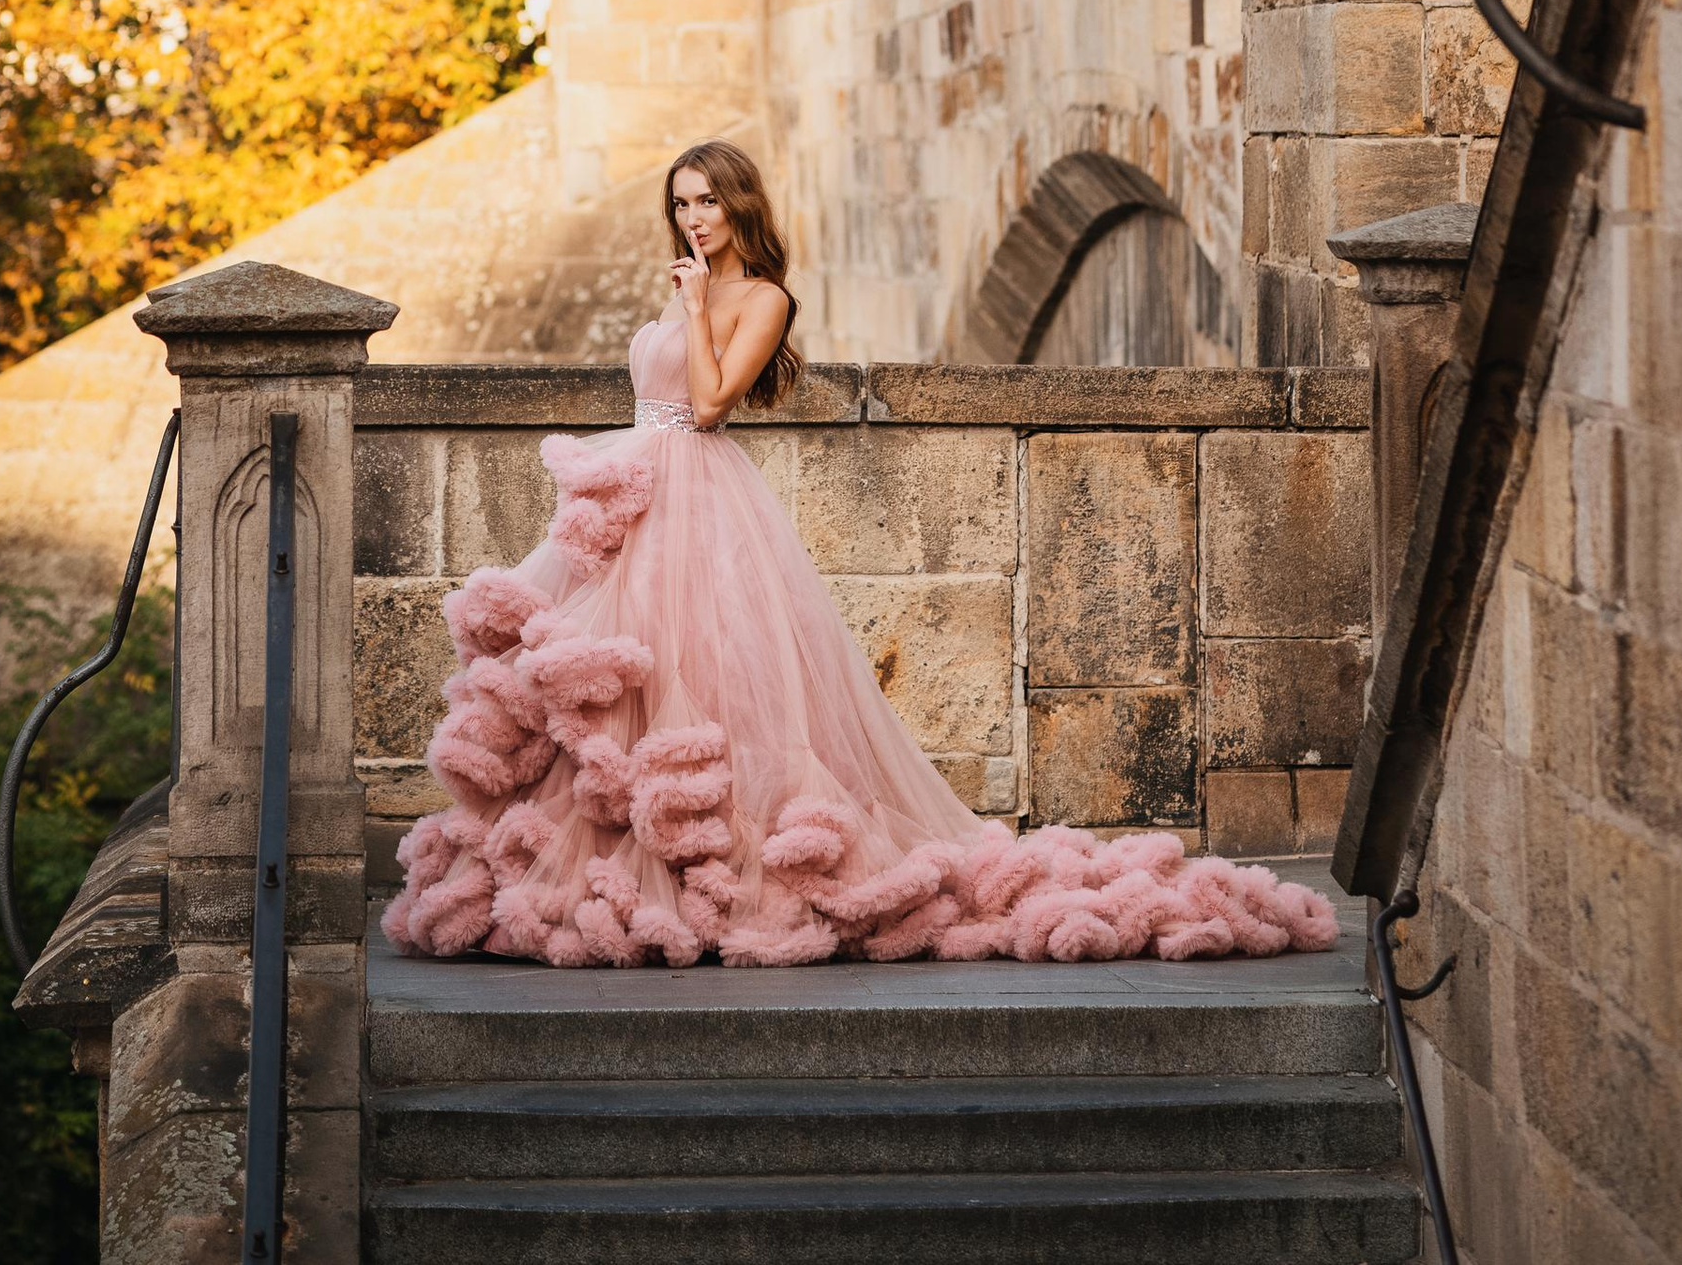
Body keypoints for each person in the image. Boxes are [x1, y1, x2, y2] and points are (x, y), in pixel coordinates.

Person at [383, 141, 1338, 968]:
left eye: (707, 200)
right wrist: (687, 301)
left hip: (705, 494)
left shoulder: (761, 296)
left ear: (740, 204)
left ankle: (721, 871)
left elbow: (712, 404)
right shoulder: (690, 285)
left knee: (711, 680)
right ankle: (607, 861)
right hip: (634, 493)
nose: (692, 217)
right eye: (680, 204)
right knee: (615, 683)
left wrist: (705, 301)